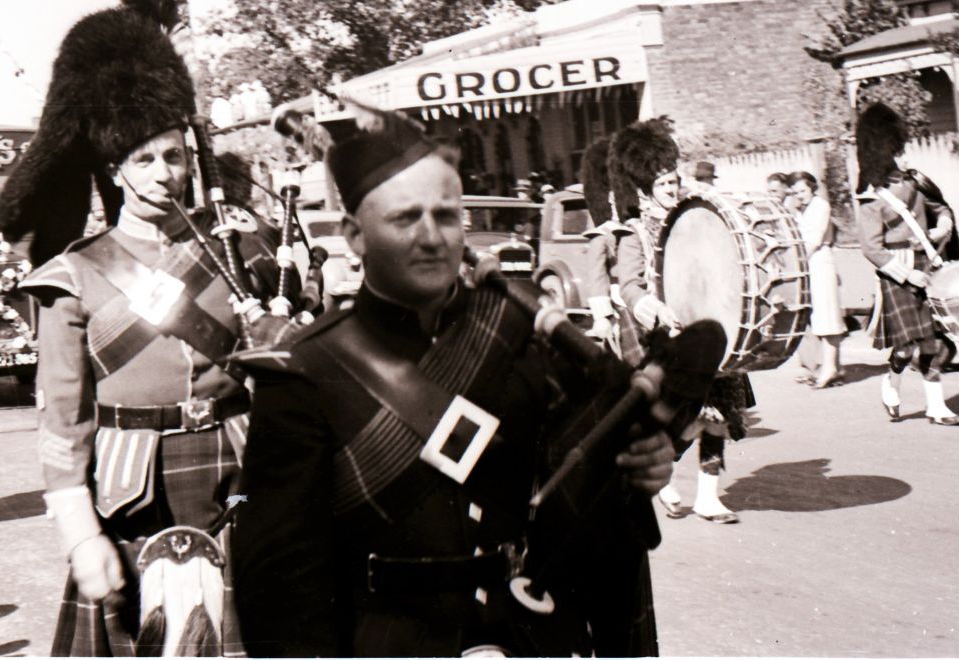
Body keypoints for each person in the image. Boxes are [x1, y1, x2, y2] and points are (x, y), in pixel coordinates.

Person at [230, 110, 674, 657]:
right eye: (404, 218)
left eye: (446, 215)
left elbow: (589, 498)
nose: (430, 237)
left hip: (527, 632)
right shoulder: (305, 371)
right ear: (353, 237)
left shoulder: (519, 333)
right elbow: (277, 580)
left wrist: (642, 467)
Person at [0, 0, 295, 656]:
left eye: (173, 156)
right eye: (144, 160)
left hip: (236, 478)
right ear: (116, 170)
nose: (164, 174)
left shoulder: (240, 252)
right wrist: (81, 535)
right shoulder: (71, 278)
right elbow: (63, 425)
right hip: (132, 499)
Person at [613, 119, 749, 525]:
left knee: (718, 416)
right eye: (665, 186)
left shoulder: (696, 217)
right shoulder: (634, 232)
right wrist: (653, 308)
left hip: (708, 332)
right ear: (644, 190)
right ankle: (656, 473)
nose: (674, 190)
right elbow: (629, 286)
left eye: (675, 181)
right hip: (666, 337)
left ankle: (709, 496)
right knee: (680, 421)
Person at [854, 104, 959, 427]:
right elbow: (871, 249)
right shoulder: (871, 198)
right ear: (886, 152)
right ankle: (892, 378)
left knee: (931, 341)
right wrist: (907, 273)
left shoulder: (915, 184)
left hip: (925, 266)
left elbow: (941, 207)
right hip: (897, 273)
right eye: (901, 151)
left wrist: (944, 223)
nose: (907, 157)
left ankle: (936, 407)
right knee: (905, 347)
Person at [577, 136, 639, 361]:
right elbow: (596, 271)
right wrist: (602, 316)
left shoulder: (636, 216)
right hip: (619, 306)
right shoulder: (601, 226)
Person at [790, 171, 846, 389]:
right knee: (821, 315)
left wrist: (796, 264)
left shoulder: (820, 206)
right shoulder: (799, 210)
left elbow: (812, 241)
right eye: (795, 192)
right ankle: (836, 366)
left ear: (812, 188)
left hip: (819, 262)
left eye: (802, 191)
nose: (799, 195)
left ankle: (830, 368)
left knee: (827, 316)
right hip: (810, 265)